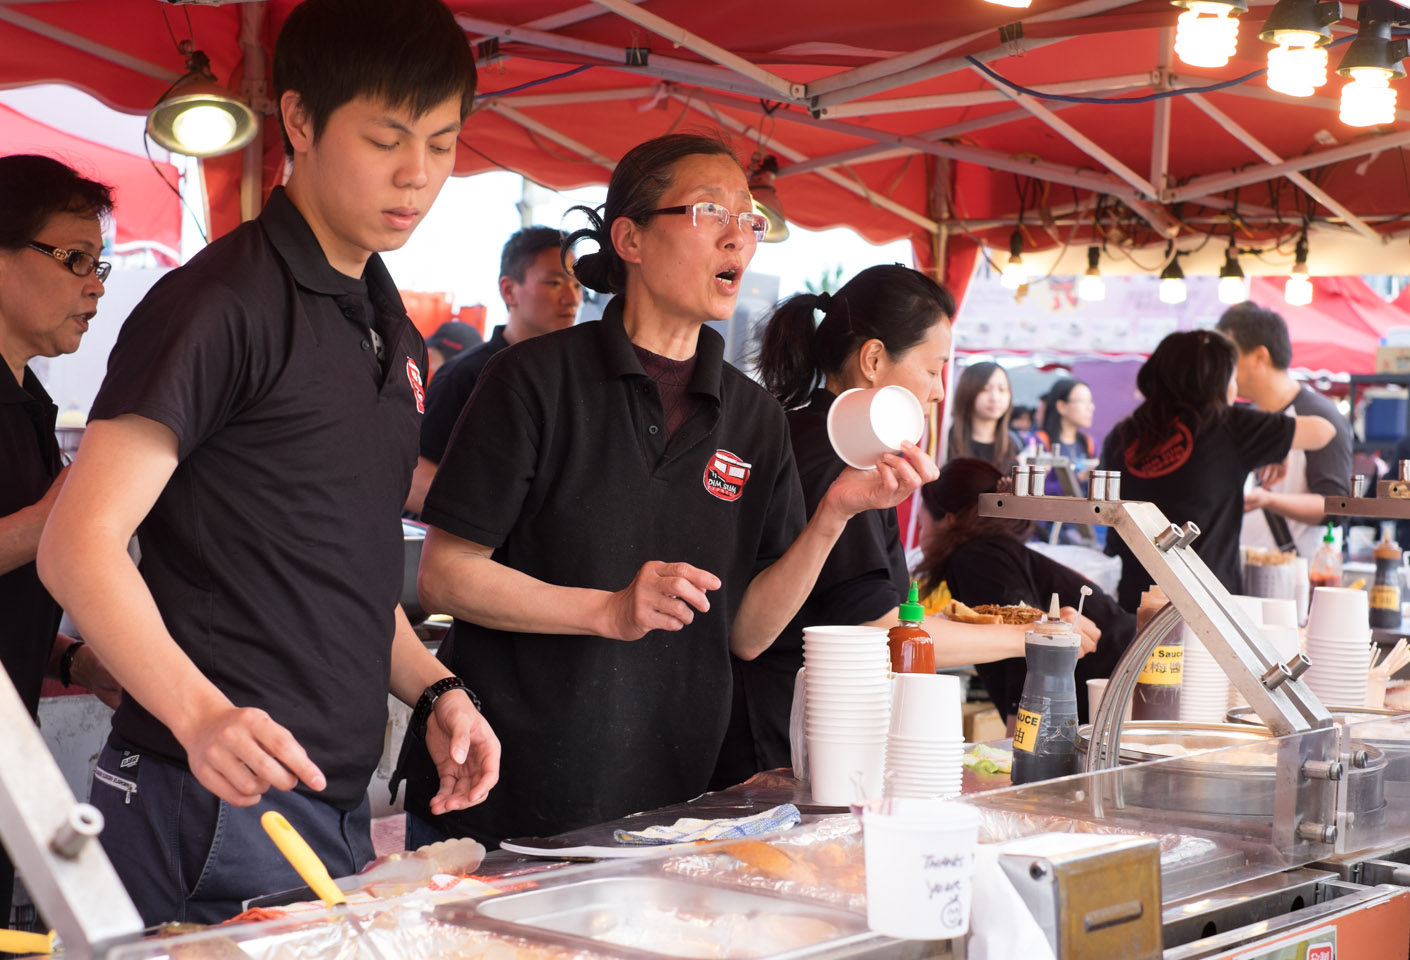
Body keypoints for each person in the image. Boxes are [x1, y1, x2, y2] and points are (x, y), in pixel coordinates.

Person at [36, 0, 499, 925]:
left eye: (444, 145)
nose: (418, 176)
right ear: (298, 121)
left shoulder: (387, 324)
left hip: (326, 803)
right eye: (386, 138)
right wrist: (201, 715)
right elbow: (78, 545)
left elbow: (344, 567)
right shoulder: (219, 304)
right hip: (199, 799)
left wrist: (436, 688)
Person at [395, 132, 937, 848]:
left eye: (750, 220)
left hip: (671, 798)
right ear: (630, 238)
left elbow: (746, 634)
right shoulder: (532, 381)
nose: (739, 237)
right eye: (712, 211)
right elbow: (446, 578)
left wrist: (836, 511)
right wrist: (609, 610)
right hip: (502, 784)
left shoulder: (755, 418)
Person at [709, 265, 1097, 786]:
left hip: (777, 729)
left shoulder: (808, 434)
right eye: (934, 368)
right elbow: (876, 627)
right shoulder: (843, 463)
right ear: (873, 360)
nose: (939, 391)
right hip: (785, 746)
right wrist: (1041, 634)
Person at [0, 153, 122, 922]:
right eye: (74, 259)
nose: (96, 285)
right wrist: (53, 521)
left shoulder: (30, 401)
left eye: (98, 263)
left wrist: (73, 657)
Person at [1099, 329, 1336, 612]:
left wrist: (1274, 445)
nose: (1234, 387)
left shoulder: (1123, 435)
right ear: (1217, 381)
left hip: (1136, 605)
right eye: (1233, 378)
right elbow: (1324, 430)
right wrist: (1277, 446)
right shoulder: (1229, 426)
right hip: (1209, 612)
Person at [914, 459, 1123, 727]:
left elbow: (1022, 646)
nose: (919, 540)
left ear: (947, 519)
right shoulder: (994, 552)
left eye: (921, 525)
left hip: (1111, 682)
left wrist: (1018, 738)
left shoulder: (974, 558)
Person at [405, 226, 581, 514]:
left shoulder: (577, 379)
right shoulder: (464, 377)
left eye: (577, 286)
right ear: (509, 290)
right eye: (554, 283)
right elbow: (415, 478)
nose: (571, 299)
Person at [1215, 302, 1354, 558]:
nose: (1223, 367)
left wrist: (1269, 500)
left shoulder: (1319, 418)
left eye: (1230, 356)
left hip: (1293, 575)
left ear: (1260, 356)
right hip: (1240, 568)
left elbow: (1336, 506)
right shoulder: (1246, 418)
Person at [947, 361, 1022, 471]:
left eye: (1002, 390)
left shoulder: (1015, 445)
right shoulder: (946, 443)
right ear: (967, 391)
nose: (995, 398)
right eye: (984, 389)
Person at [1035, 377, 1096, 498]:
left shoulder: (1089, 443)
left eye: (1090, 401)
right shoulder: (1040, 441)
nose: (1091, 407)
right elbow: (1036, 489)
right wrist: (1080, 477)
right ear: (1061, 406)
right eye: (1083, 401)